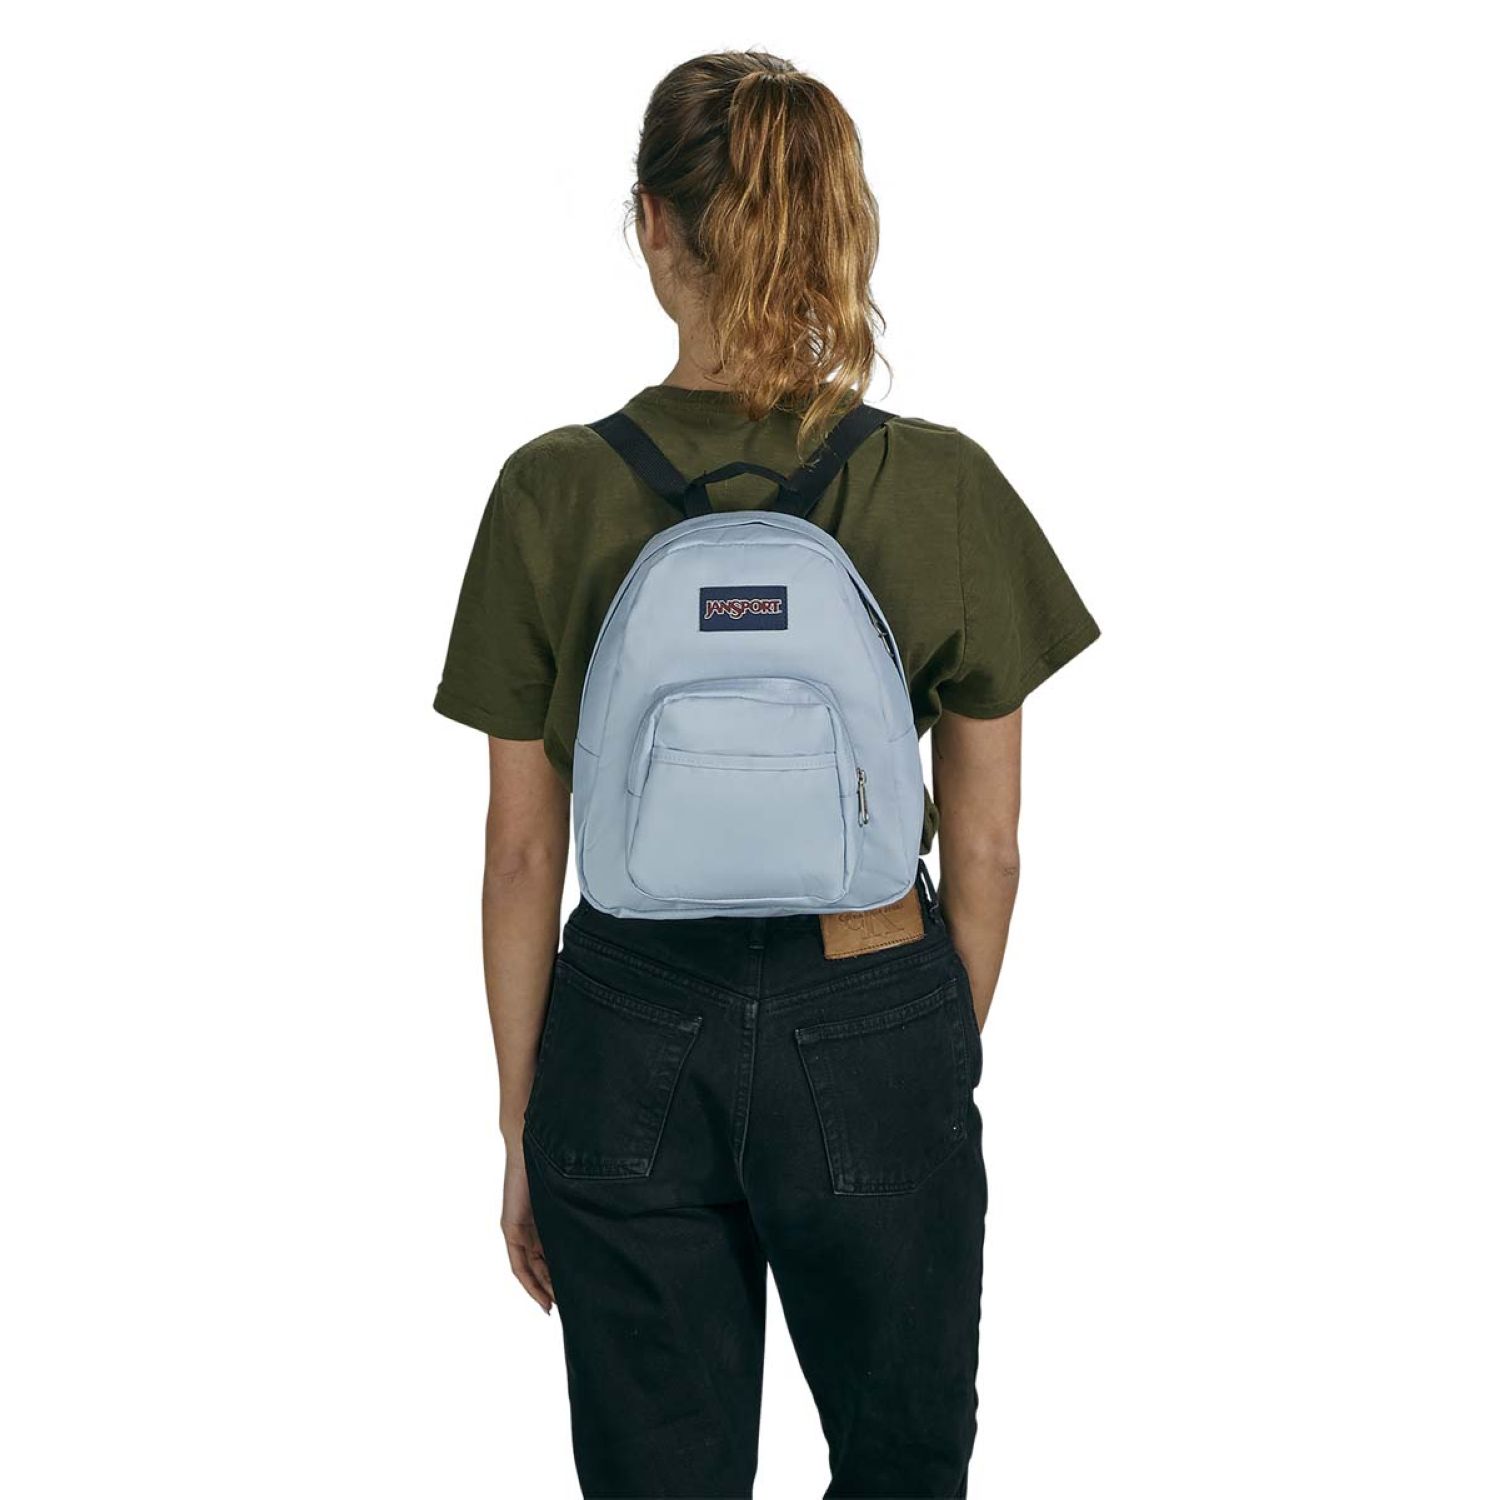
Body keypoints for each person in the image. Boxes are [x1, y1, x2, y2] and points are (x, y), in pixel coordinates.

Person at [435, 49, 1099, 1500]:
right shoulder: (942, 482)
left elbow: (521, 854)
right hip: (872, 997)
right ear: (833, 225)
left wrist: (524, 1123)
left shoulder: (550, 487)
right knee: (901, 1467)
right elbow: (988, 851)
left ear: (652, 225)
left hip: (624, 1026)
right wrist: (913, 1052)